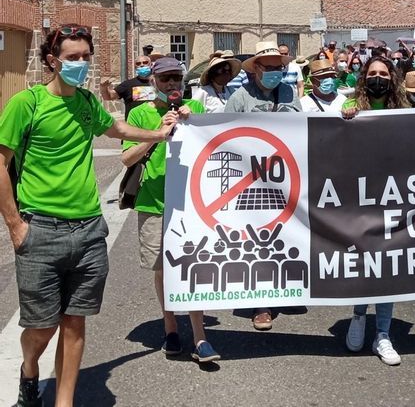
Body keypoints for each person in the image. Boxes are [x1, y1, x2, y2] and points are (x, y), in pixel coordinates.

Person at [0, 25, 178, 407]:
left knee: (75, 322)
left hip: (89, 231)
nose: (82, 64)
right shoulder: (26, 104)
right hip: (40, 231)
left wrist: (158, 135)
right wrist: (15, 225)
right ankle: (29, 368)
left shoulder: (86, 101)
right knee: (41, 327)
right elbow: (1, 162)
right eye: (73, 58)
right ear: (52, 61)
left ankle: (64, 402)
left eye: (86, 57)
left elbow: (115, 127)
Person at [121, 57, 219, 363]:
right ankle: (170, 327)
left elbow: (219, 146)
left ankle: (201, 336)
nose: (172, 84)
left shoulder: (197, 109)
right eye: (165, 79)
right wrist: (157, 135)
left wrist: (194, 121)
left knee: (193, 267)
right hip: (154, 201)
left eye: (176, 78)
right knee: (162, 269)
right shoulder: (139, 114)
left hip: (191, 203)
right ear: (154, 83)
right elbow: (127, 159)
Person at [226, 41, 302, 330]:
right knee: (258, 240)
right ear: (256, 68)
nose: (275, 72)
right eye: (269, 68)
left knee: (285, 234)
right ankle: (261, 304)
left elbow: (300, 124)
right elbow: (223, 131)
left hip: (284, 175)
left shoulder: (288, 91)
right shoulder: (240, 97)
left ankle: (285, 288)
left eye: (279, 68)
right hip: (251, 179)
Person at [341, 56, 409, 365]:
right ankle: (358, 316)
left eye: (383, 73)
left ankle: (383, 333)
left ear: (392, 78)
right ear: (363, 77)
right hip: (360, 198)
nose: (378, 78)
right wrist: (342, 119)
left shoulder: (407, 112)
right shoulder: (351, 106)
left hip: (394, 197)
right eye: (372, 73)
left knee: (387, 263)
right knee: (362, 259)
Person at [99, 54, 155, 119]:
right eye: (138, 63)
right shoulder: (128, 84)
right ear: (135, 67)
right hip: (134, 125)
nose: (142, 65)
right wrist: (103, 87)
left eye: (145, 62)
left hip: (156, 124)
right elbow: (109, 97)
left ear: (151, 65)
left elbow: (166, 98)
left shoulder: (158, 83)